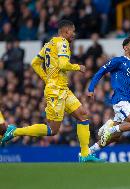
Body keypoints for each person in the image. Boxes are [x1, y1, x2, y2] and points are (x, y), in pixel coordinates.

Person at [1, 20, 102, 163]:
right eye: (72, 31)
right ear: (65, 31)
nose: (74, 34)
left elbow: (34, 63)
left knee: (83, 115)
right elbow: (62, 64)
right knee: (53, 130)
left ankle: (85, 154)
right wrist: (77, 67)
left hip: (62, 89)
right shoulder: (62, 43)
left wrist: (45, 78)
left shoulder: (49, 44)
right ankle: (14, 131)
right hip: (55, 91)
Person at [87, 36, 130, 148]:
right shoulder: (118, 61)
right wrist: (91, 88)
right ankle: (110, 129)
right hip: (120, 99)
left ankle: (89, 152)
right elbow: (101, 71)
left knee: (116, 137)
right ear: (125, 48)